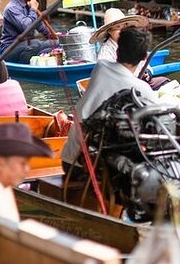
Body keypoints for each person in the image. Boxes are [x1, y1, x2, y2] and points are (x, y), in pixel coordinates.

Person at [61, 27, 158, 173]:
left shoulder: (100, 67)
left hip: (69, 159)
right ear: (144, 57)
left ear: (118, 50)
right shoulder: (142, 89)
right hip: (85, 166)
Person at [0, 0, 58, 64]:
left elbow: (40, 26)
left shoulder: (29, 4)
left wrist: (53, 36)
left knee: (57, 44)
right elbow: (26, 28)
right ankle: (25, 66)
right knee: (35, 44)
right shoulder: (12, 8)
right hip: (10, 50)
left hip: (28, 45)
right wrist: (33, 9)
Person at [89, 8, 150, 75]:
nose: (122, 30)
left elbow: (144, 64)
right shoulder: (105, 52)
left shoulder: (132, 42)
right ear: (109, 31)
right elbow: (108, 75)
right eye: (118, 27)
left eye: (125, 26)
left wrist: (147, 72)